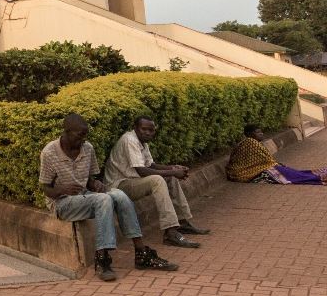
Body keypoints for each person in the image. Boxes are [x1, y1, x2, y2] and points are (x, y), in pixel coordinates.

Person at [40, 113, 178, 281]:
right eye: (79, 135)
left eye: (85, 135)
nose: (83, 140)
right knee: (103, 199)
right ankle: (102, 259)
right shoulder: (49, 152)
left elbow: (91, 179)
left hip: (86, 196)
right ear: (67, 131)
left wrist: (95, 184)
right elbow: (45, 188)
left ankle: (141, 253)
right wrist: (62, 189)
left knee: (119, 194)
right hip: (62, 202)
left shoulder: (87, 148)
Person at [104, 116, 209, 249]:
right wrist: (172, 172)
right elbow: (142, 171)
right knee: (158, 180)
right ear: (135, 128)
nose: (147, 132)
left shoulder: (143, 142)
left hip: (134, 181)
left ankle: (182, 222)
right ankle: (170, 232)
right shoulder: (129, 140)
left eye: (151, 130)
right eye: (144, 129)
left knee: (169, 177)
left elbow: (151, 165)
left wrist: (173, 168)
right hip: (119, 186)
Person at [226, 124, 327, 184]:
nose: (261, 134)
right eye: (257, 132)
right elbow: (265, 160)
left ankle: (318, 175)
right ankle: (318, 177)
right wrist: (275, 164)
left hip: (258, 168)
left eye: (261, 132)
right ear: (249, 134)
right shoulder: (250, 142)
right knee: (287, 173)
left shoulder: (251, 142)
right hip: (246, 172)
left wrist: (275, 164)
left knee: (288, 171)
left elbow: (264, 159)